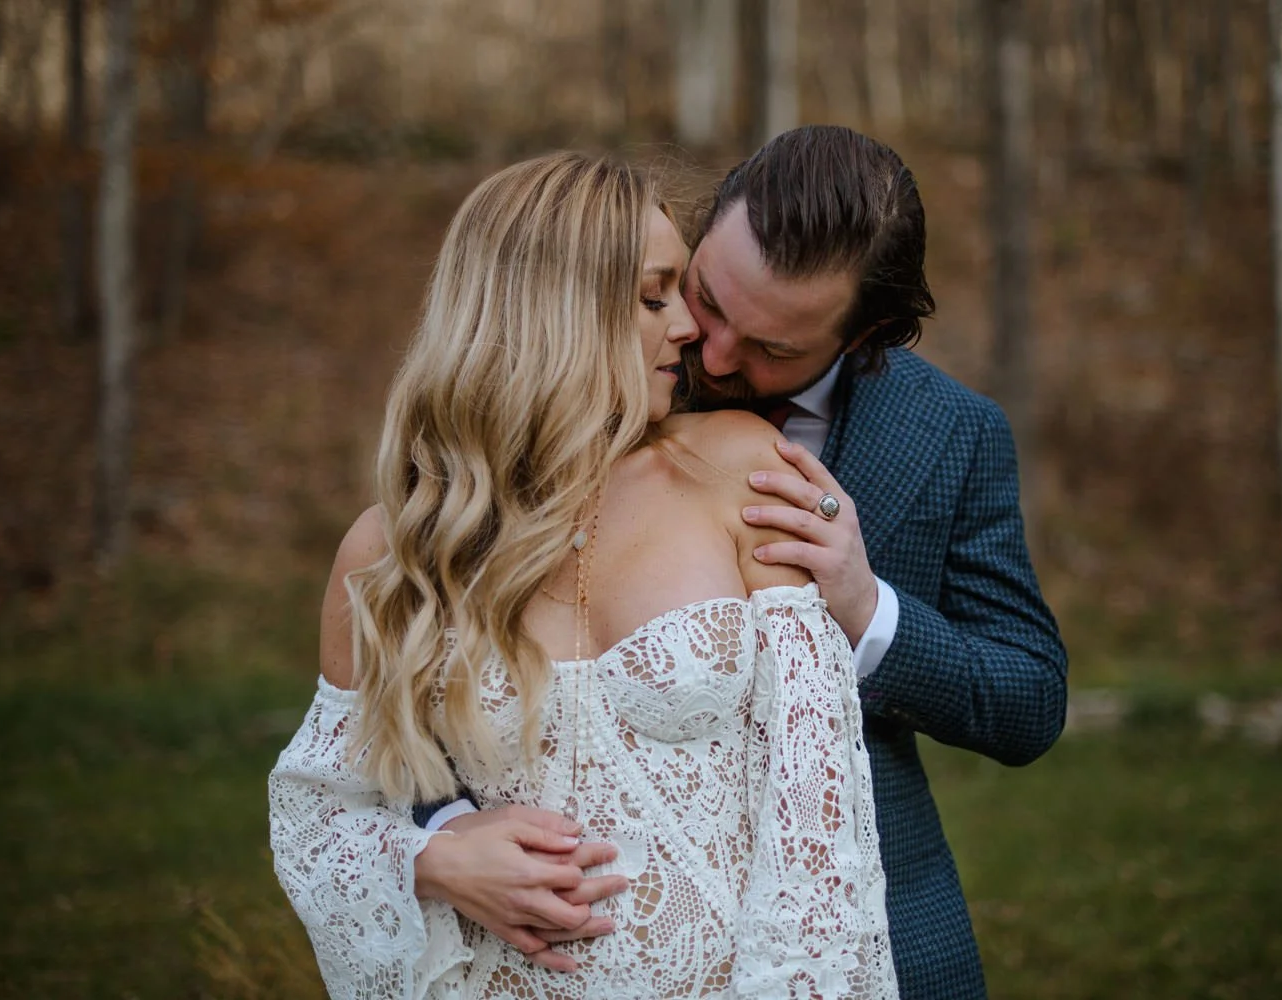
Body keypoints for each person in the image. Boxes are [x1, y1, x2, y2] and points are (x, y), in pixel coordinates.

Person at [421, 127, 1069, 999]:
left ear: (866, 334)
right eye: (709, 301)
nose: (713, 356)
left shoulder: (953, 434)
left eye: (772, 348)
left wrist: (868, 608)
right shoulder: (610, 364)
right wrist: (449, 835)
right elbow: (418, 674)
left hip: (869, 937)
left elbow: (1028, 699)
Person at [268, 151, 899, 999]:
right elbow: (318, 818)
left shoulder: (744, 475)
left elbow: (816, 830)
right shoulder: (394, 551)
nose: (689, 331)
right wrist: (435, 858)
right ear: (550, 312)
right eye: (653, 297)